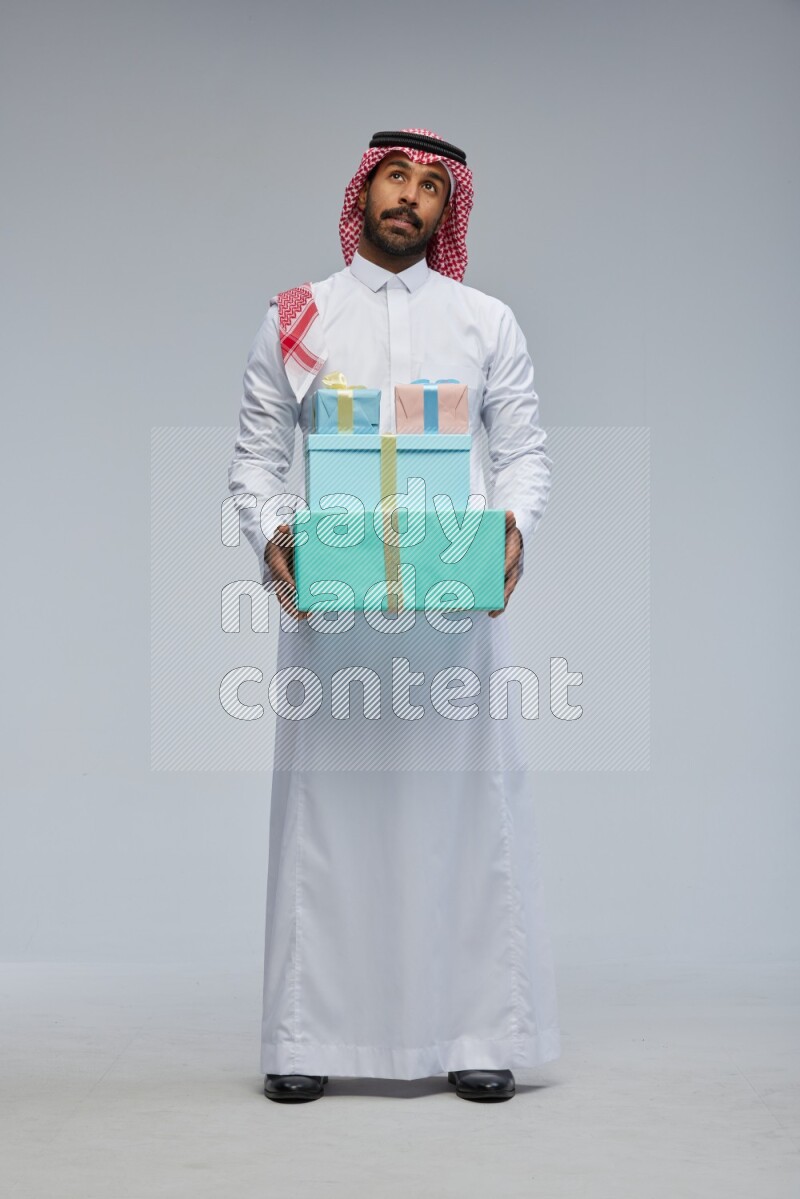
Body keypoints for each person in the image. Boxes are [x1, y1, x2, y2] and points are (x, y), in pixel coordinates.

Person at [228, 128, 560, 1104]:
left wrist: (511, 526)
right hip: (334, 611)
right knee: (327, 818)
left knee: (462, 812)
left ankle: (475, 1030)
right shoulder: (295, 318)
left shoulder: (484, 320)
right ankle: (304, 1033)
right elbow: (255, 458)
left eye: (428, 186)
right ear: (360, 191)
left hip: (449, 607)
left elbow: (526, 451)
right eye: (393, 178)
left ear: (446, 209)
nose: (409, 197)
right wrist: (273, 533)